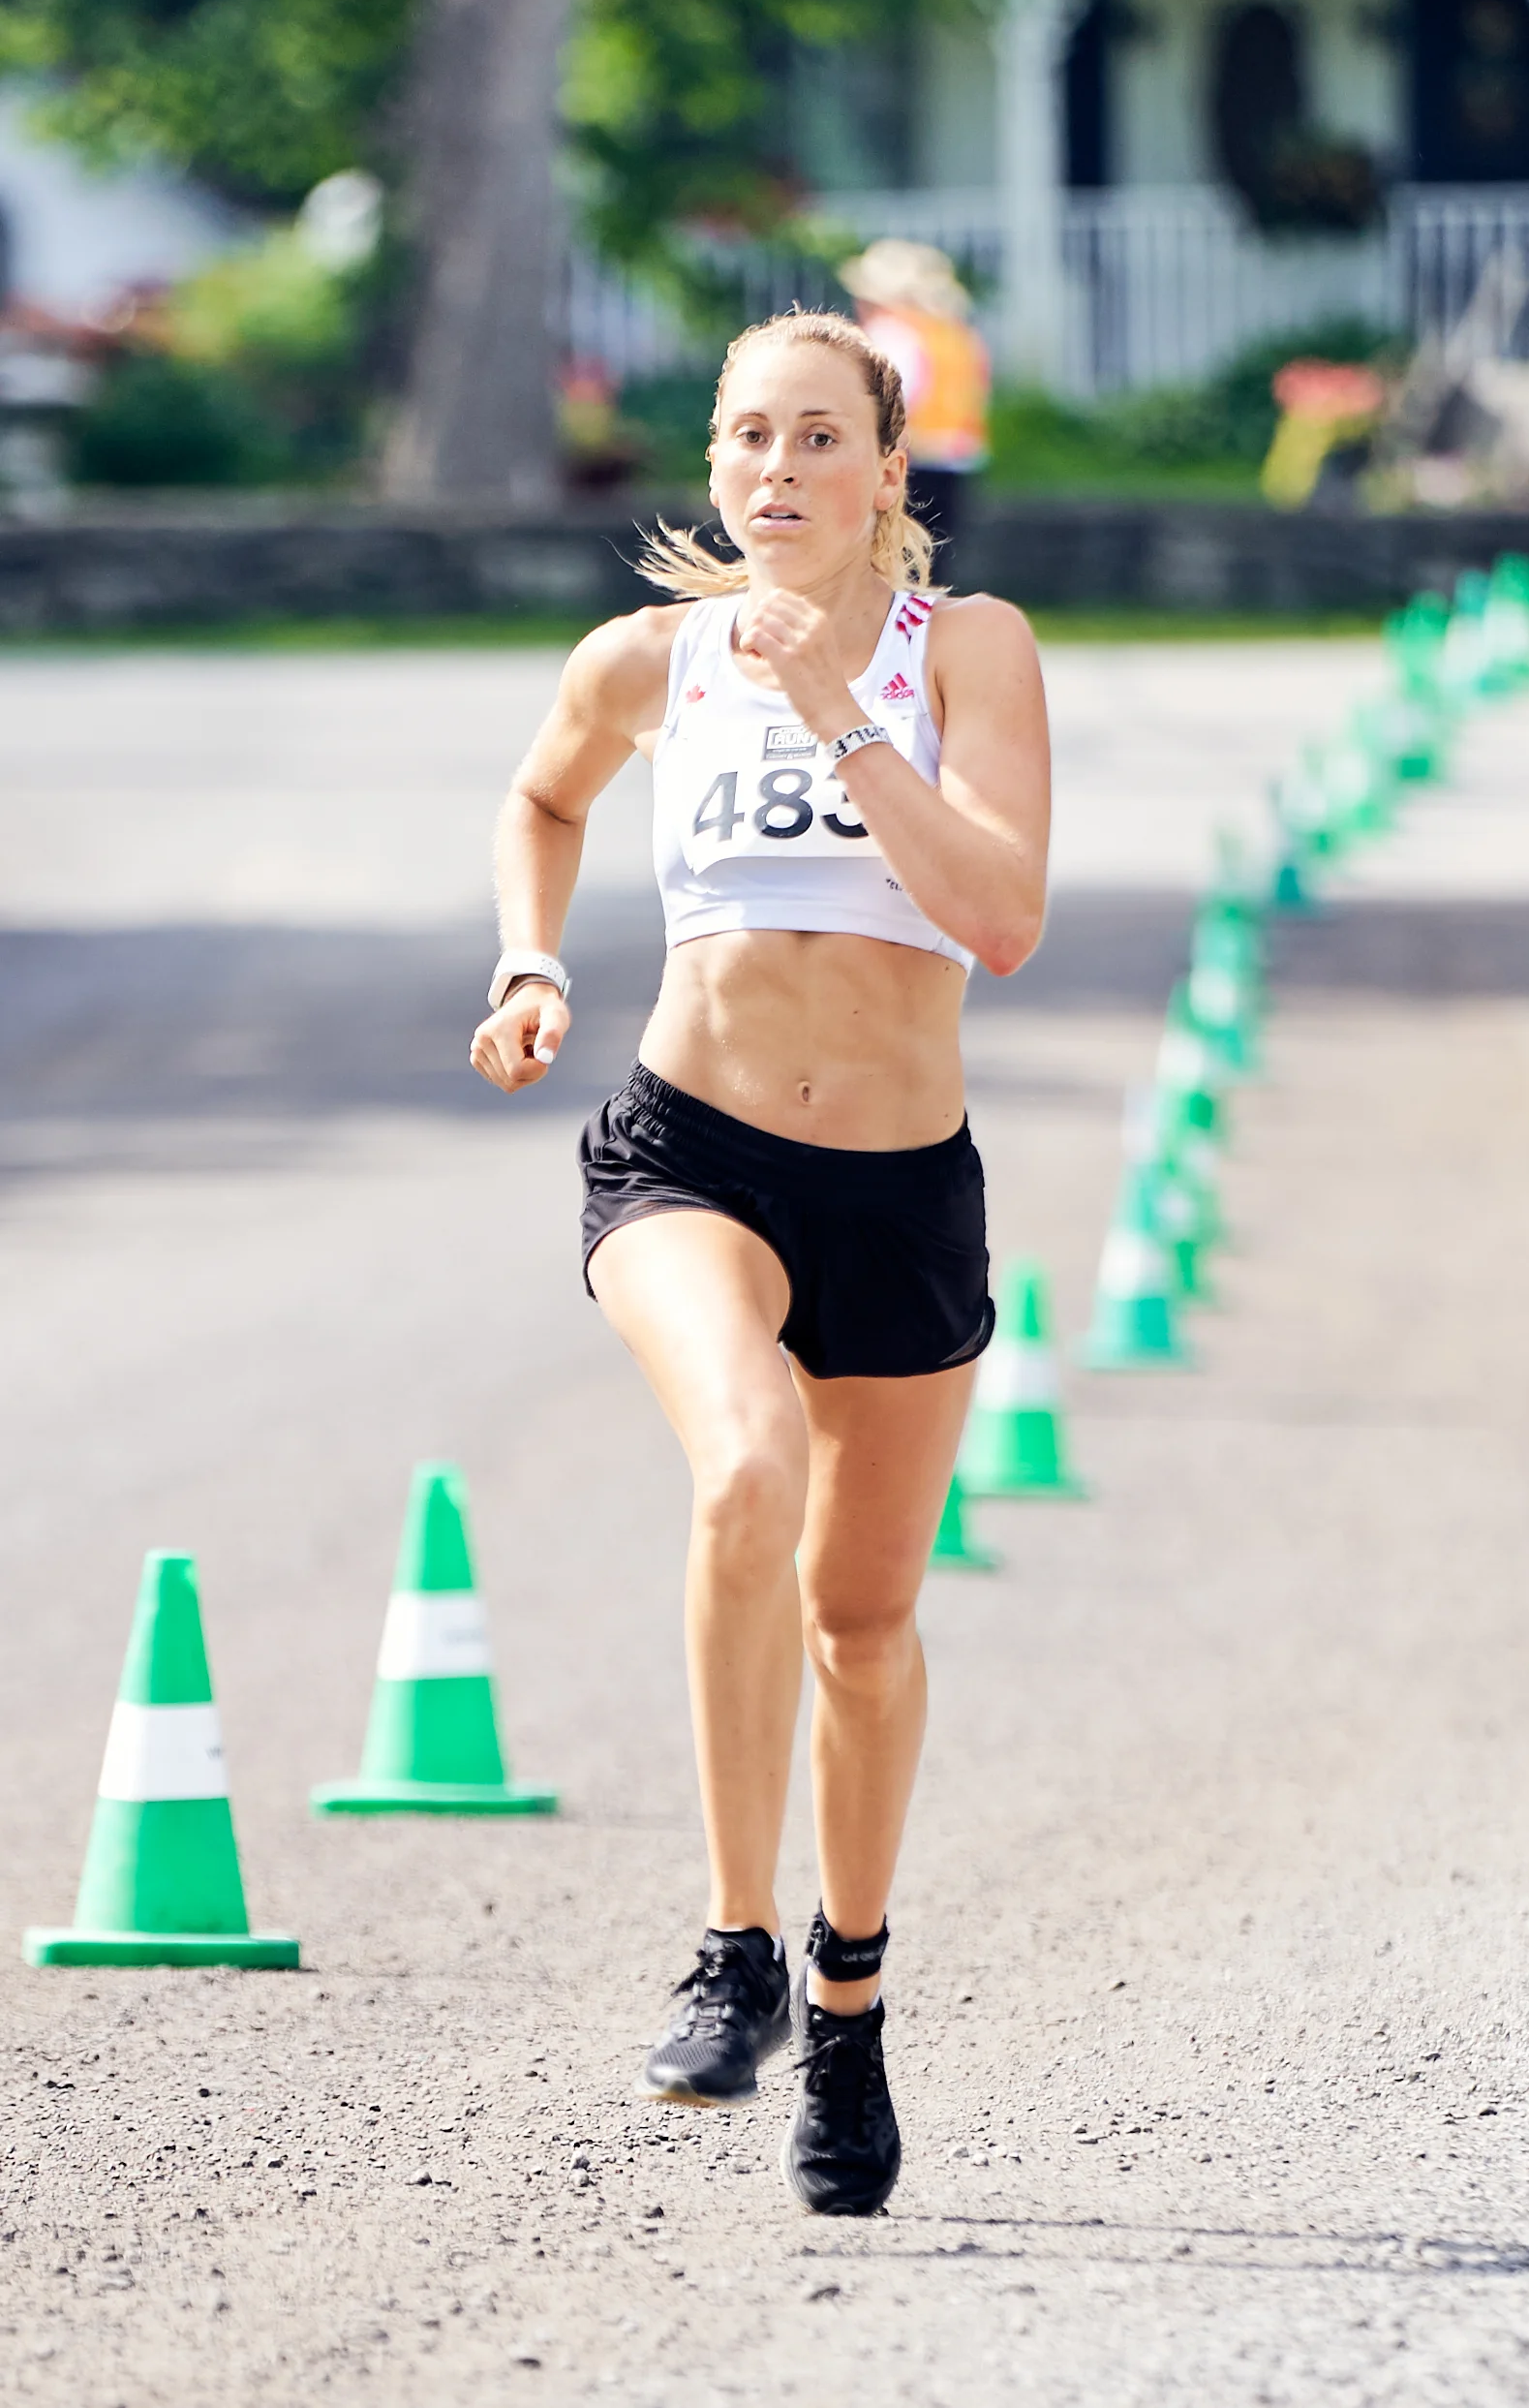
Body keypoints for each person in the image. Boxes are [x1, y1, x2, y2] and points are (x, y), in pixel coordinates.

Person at [469, 308, 1049, 2217]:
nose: (777, 473)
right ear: (713, 469)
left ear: (889, 467)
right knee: (744, 1469)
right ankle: (727, 1948)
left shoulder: (964, 652)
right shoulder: (647, 660)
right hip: (688, 1152)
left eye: (818, 438)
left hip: (901, 1193)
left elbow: (1003, 915)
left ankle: (847, 1998)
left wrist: (838, 713)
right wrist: (531, 956)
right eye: (745, 440)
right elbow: (542, 799)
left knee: (863, 1626)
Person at [841, 240, 991, 571]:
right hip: (953, 460)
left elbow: (889, 401)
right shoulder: (956, 333)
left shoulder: (891, 334)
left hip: (908, 460)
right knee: (930, 565)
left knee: (892, 564)